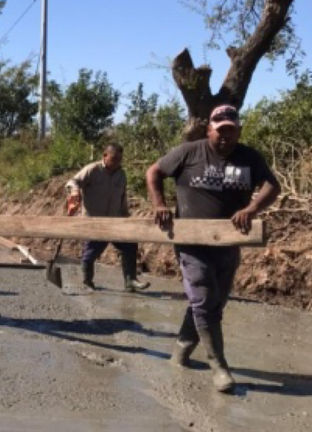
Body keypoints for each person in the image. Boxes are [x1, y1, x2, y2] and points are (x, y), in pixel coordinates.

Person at [146, 104, 280, 392]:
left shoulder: (248, 157)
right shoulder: (189, 152)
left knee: (213, 303)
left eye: (230, 131)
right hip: (192, 240)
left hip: (229, 242)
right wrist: (159, 204)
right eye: (219, 130)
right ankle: (218, 366)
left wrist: (252, 208)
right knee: (204, 299)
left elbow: (272, 185)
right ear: (209, 130)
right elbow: (154, 172)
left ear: (238, 131)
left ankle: (180, 351)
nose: (224, 136)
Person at [66, 143, 150, 292]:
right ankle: (87, 282)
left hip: (115, 220)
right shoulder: (92, 170)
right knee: (90, 254)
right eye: (114, 158)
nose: (117, 162)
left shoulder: (121, 174)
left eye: (119, 159)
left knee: (130, 246)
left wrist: (125, 216)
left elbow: (122, 197)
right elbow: (72, 181)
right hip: (95, 222)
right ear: (105, 156)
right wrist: (75, 190)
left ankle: (130, 281)